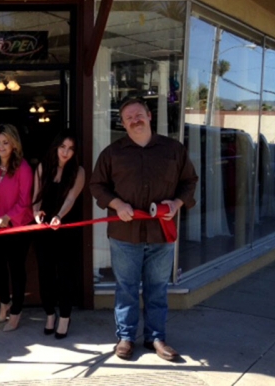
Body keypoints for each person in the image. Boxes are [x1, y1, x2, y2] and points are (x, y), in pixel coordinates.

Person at [89, 98, 198, 361]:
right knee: (126, 287)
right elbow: (97, 186)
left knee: (157, 287)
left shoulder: (173, 150)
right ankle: (125, 337)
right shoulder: (112, 153)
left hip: (162, 232)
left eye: (138, 115)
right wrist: (117, 204)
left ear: (149, 116)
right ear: (123, 123)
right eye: (128, 118)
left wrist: (177, 202)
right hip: (125, 234)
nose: (135, 120)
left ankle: (156, 338)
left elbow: (189, 182)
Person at [32, 130, 85, 339]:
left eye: (70, 149)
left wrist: (59, 217)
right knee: (45, 273)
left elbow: (71, 199)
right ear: (56, 147)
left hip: (66, 227)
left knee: (65, 274)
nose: (66, 152)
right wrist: (36, 214)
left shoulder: (78, 171)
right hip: (44, 228)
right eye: (63, 147)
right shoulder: (43, 167)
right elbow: (36, 197)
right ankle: (49, 314)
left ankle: (64, 316)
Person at [0, 124, 33, 331]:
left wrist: (8, 216)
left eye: (6, 142)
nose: (1, 146)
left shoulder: (23, 168)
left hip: (18, 225)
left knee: (16, 269)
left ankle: (16, 312)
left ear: (14, 144)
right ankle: (4, 304)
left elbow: (25, 201)